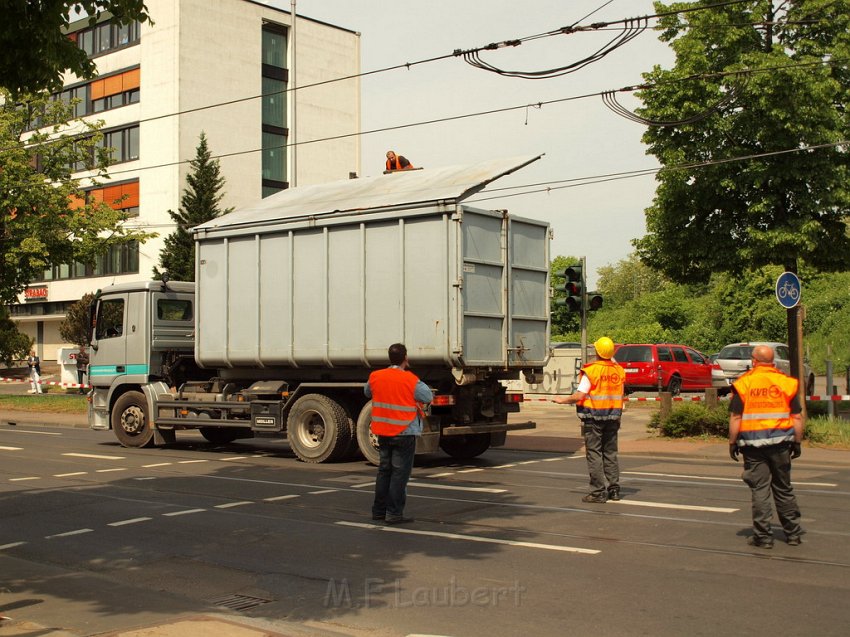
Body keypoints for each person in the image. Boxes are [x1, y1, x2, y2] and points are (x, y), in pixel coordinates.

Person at [728, 344, 804, 549]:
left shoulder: (744, 384)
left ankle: (763, 537)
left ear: (753, 361)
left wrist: (732, 442)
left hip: (753, 446)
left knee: (760, 489)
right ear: (773, 361)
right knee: (784, 488)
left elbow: (736, 417)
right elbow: (796, 416)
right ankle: (793, 534)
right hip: (781, 445)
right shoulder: (785, 383)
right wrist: (797, 441)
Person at [365, 343, 432, 524]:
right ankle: (394, 514)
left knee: (384, 471)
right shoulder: (410, 379)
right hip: (404, 431)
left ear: (389, 358)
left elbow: (367, 391)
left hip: (383, 431)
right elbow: (427, 397)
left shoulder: (375, 376)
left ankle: (378, 511)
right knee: (399, 475)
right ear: (406, 359)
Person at [554, 337, 624, 503]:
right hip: (613, 417)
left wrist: (561, 400)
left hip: (594, 418)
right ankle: (614, 489)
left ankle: (598, 492)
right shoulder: (618, 370)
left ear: (596, 352)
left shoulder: (591, 371)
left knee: (594, 454)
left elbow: (579, 395)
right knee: (610, 453)